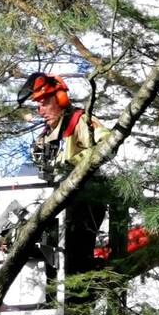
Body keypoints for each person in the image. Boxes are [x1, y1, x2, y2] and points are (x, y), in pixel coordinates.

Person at [17, 72, 122, 276]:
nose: (40, 111)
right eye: (38, 106)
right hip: (53, 209)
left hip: (82, 204)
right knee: (48, 266)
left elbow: (109, 145)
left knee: (74, 265)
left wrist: (72, 164)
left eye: (44, 103)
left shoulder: (80, 120)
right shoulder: (44, 138)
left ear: (60, 99)